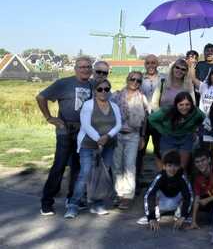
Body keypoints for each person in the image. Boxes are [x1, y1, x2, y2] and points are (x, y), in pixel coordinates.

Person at [38, 56, 93, 216]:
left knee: (77, 166)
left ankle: (72, 198)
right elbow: (41, 97)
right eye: (82, 67)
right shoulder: (64, 83)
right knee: (60, 165)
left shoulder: (91, 85)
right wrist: (50, 118)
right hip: (65, 129)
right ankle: (46, 202)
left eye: (88, 67)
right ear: (75, 69)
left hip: (82, 131)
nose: (85, 69)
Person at [64, 78, 122, 219]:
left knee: (101, 174)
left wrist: (107, 136)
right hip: (88, 145)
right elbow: (86, 125)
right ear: (95, 91)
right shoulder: (88, 105)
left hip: (108, 145)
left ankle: (97, 204)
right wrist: (99, 139)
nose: (103, 92)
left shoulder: (114, 106)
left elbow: (119, 124)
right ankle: (73, 205)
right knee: (85, 174)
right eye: (100, 89)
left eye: (106, 89)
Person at [113, 71, 149, 210]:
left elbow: (145, 119)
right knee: (117, 165)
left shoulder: (142, 98)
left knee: (129, 166)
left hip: (133, 135)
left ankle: (127, 196)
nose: (135, 82)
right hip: (117, 135)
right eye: (132, 79)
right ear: (127, 79)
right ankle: (118, 193)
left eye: (138, 81)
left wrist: (143, 136)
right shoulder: (116, 96)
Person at [149, 58, 194, 171]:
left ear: (186, 72)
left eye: (183, 69)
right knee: (166, 161)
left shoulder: (188, 86)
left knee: (182, 164)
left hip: (183, 127)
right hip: (166, 127)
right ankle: (164, 183)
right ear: (173, 68)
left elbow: (193, 106)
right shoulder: (163, 82)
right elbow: (154, 103)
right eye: (177, 67)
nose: (179, 70)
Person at [148, 91, 205, 173]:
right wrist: (162, 130)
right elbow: (151, 119)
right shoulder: (167, 110)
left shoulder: (196, 112)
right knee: (168, 166)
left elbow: (205, 120)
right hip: (168, 138)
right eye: (181, 105)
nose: (184, 107)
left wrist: (194, 129)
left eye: (187, 104)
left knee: (182, 168)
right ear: (176, 105)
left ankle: (182, 183)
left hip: (186, 138)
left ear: (191, 105)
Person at [139, 150, 193, 230]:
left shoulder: (182, 177)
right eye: (169, 165)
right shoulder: (160, 177)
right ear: (164, 166)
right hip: (162, 203)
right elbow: (148, 195)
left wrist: (184, 216)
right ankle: (156, 214)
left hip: (176, 202)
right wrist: (151, 218)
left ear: (179, 166)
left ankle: (179, 214)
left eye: (175, 166)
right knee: (153, 192)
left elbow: (189, 196)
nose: (172, 169)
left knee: (187, 192)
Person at [138, 54, 163, 181]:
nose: (151, 65)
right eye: (148, 63)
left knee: (159, 149)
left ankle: (160, 177)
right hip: (143, 119)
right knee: (141, 149)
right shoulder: (139, 79)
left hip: (158, 119)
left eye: (153, 62)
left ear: (157, 64)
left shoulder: (163, 78)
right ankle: (140, 177)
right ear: (145, 65)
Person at [189, 148, 213, 230]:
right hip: (210, 198)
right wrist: (193, 221)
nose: (200, 164)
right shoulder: (197, 176)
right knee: (192, 207)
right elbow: (197, 197)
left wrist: (207, 200)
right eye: (197, 162)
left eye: (203, 160)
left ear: (209, 160)